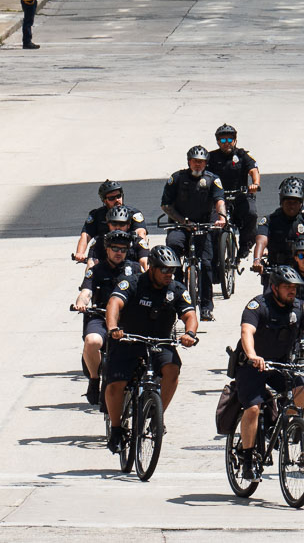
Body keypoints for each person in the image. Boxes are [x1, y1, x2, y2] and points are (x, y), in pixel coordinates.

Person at [233, 265, 304, 480]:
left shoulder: (299, 308)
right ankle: (248, 457)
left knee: (303, 392)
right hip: (253, 365)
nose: (292, 291)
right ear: (274, 287)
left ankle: (278, 427)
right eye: (287, 287)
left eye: (294, 287)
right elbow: (247, 332)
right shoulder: (257, 305)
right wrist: (252, 356)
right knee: (252, 408)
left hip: (281, 364)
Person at [103, 244, 198, 452]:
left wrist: (190, 333)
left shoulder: (176, 289)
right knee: (115, 384)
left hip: (160, 342)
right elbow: (114, 303)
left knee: (172, 369)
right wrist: (112, 328)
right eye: (164, 269)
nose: (168, 274)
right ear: (152, 268)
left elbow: (190, 315)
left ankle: (157, 414)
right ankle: (117, 428)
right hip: (129, 340)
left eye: (172, 270)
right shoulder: (133, 283)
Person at [73, 227, 139, 405]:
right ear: (107, 249)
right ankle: (94, 379)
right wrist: (81, 303)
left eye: (123, 250)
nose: (119, 253)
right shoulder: (96, 271)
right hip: (100, 316)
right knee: (92, 341)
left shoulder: (135, 269)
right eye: (115, 248)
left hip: (127, 319)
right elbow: (86, 292)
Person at [161, 145, 228, 321]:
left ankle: (206, 308)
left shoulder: (213, 179)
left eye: (202, 162)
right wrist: (184, 222)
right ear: (189, 162)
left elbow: (219, 200)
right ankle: (176, 293)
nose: (198, 165)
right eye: (195, 161)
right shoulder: (176, 178)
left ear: (206, 164)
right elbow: (166, 205)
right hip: (180, 225)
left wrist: (222, 216)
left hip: (203, 225)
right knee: (172, 254)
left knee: (206, 264)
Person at [206, 124, 260, 263]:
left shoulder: (242, 155)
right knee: (212, 224)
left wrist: (255, 184)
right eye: (222, 141)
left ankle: (244, 247)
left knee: (251, 214)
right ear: (218, 142)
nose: (226, 143)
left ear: (235, 140)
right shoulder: (211, 157)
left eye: (229, 140)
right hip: (219, 198)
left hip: (240, 195)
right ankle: (214, 259)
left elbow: (254, 170)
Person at [73, 180, 150, 269]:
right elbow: (86, 236)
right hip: (105, 254)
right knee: (91, 265)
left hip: (129, 251)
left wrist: (142, 252)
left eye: (118, 196)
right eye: (111, 198)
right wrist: (80, 253)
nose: (117, 200)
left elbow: (141, 233)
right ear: (104, 200)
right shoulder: (96, 215)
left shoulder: (133, 213)